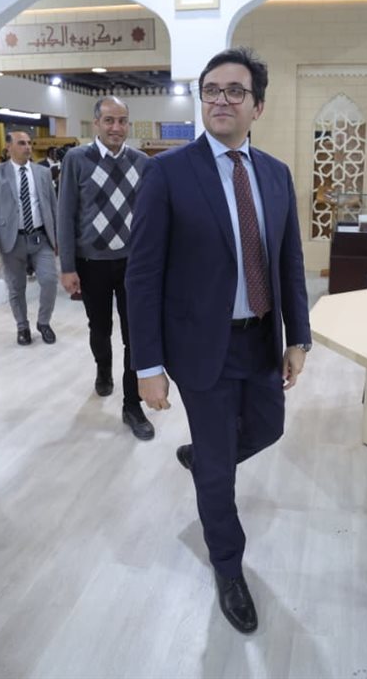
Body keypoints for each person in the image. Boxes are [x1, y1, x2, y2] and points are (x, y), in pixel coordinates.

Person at [126, 47, 312, 635]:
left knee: (268, 428)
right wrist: (147, 366)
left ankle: (204, 458)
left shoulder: (275, 174)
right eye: (211, 90)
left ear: (258, 106)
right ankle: (228, 567)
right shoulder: (168, 173)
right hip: (200, 345)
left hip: (261, 339)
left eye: (235, 91)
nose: (221, 100)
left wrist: (299, 337)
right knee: (219, 475)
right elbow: (143, 275)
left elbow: (289, 264)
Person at [58, 97, 154, 440]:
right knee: (99, 328)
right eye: (109, 120)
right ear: (96, 123)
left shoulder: (142, 162)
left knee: (135, 335)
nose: (116, 127)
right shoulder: (77, 159)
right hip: (91, 264)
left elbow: (149, 216)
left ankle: (132, 405)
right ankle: (103, 367)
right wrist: (67, 266)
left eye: (122, 121)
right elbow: (65, 214)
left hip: (133, 265)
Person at [0, 129, 60, 345]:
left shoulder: (42, 172)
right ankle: (22, 326)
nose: (28, 147)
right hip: (10, 240)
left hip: (41, 237)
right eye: (22, 143)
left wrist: (58, 237)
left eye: (29, 143)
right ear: (9, 147)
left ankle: (43, 322)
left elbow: (53, 206)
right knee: (16, 287)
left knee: (50, 281)